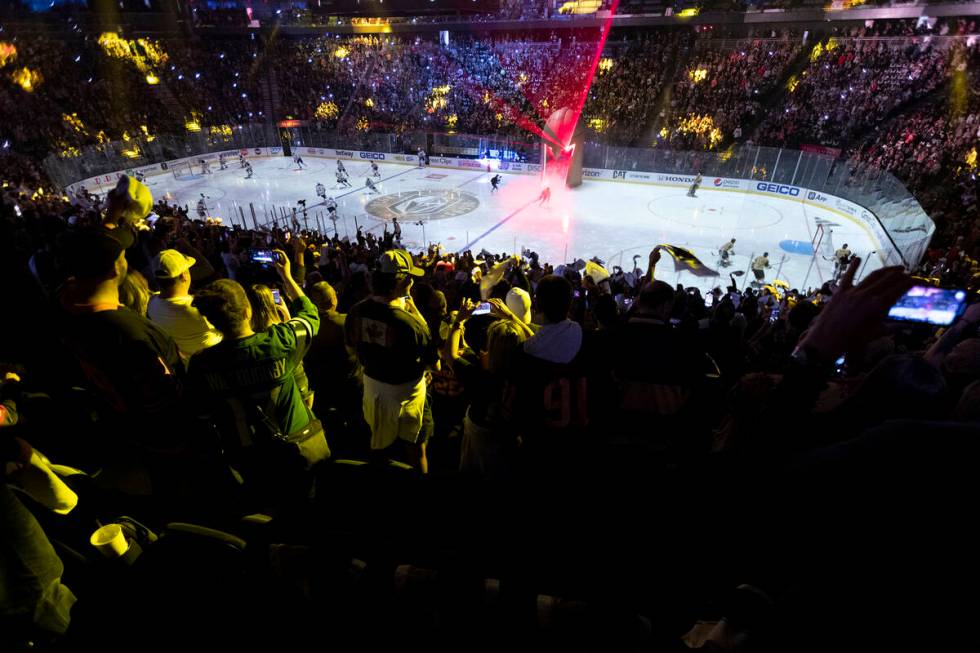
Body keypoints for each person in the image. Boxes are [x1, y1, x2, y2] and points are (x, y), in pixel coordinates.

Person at [189, 250, 328, 504]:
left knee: (268, 501)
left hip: (247, 453)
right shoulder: (280, 343)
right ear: (247, 312)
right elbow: (310, 315)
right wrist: (287, 276)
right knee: (307, 498)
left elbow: (203, 412)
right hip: (295, 445)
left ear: (212, 321)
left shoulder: (201, 364)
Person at [345, 250, 439, 472]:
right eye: (410, 276)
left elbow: (351, 347)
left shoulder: (356, 311)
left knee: (379, 446)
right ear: (401, 282)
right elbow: (434, 364)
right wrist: (419, 319)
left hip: (373, 388)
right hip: (409, 393)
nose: (412, 280)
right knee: (416, 451)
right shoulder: (411, 323)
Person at [305, 281, 366, 456]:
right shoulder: (346, 322)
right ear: (333, 300)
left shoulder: (307, 326)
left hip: (321, 389)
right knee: (356, 430)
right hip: (350, 388)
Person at [147, 249, 223, 362]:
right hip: (215, 360)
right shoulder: (200, 308)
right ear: (184, 276)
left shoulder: (151, 303)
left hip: (186, 364)